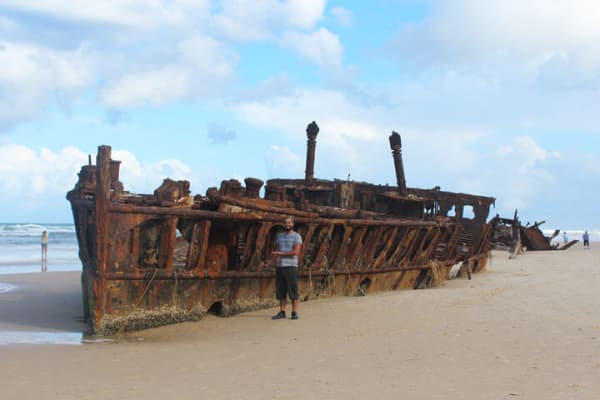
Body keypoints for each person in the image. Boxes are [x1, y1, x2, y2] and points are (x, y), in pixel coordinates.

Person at [271, 216, 303, 320]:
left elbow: (296, 252)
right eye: (285, 223)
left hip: (291, 266)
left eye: (289, 223)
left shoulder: (297, 237)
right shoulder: (280, 236)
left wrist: (281, 253)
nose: (287, 225)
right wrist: (274, 260)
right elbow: (277, 249)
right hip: (280, 266)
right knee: (281, 290)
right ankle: (282, 312)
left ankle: (294, 312)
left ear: (293, 224)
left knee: (293, 290)